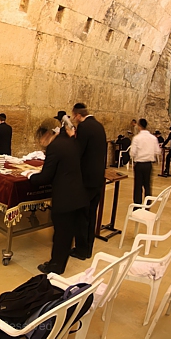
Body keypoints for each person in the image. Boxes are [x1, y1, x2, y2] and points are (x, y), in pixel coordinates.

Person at [29, 119, 88, 274]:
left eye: (42, 137)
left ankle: (55, 267)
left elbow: (45, 177)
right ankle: (59, 264)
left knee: (61, 234)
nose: (42, 141)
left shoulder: (55, 146)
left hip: (65, 196)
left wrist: (30, 176)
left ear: (48, 133)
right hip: (77, 194)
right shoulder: (70, 142)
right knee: (67, 235)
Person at [69, 103, 107, 261]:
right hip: (98, 178)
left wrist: (72, 138)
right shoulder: (99, 126)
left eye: (74, 116)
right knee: (92, 214)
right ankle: (88, 248)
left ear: (78, 115)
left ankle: (81, 250)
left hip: (86, 179)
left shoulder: (84, 127)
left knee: (82, 215)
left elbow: (78, 151)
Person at [130, 119, 160, 204]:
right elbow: (157, 151)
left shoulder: (137, 138)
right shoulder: (153, 138)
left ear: (139, 126)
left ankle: (137, 204)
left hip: (139, 164)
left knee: (138, 185)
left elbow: (132, 152)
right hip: (148, 164)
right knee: (147, 185)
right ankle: (147, 204)